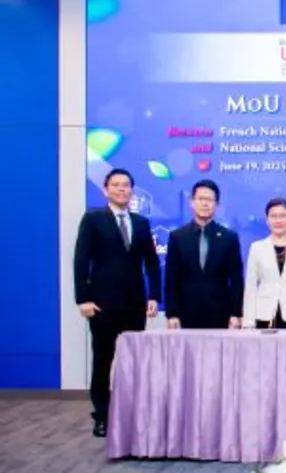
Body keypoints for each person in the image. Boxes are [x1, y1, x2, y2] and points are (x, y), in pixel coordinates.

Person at [73, 169, 161, 437]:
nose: (122, 189)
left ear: (131, 190)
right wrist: (83, 298)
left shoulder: (141, 222)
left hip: (134, 304)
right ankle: (102, 416)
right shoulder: (93, 219)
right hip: (102, 304)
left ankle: (132, 415)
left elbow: (151, 263)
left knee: (134, 362)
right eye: (116, 185)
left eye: (126, 185)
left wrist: (154, 295)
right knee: (103, 360)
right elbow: (81, 260)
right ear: (106, 189)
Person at [164, 180, 243, 329]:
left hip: (220, 312)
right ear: (192, 202)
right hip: (186, 312)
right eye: (201, 199)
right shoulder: (177, 237)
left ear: (217, 205)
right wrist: (172, 313)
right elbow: (171, 279)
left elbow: (236, 279)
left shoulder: (229, 238)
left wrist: (236, 313)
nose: (205, 204)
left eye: (210, 200)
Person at [242, 198, 286, 329]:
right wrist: (248, 321)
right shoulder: (256, 248)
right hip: (263, 314)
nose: (278, 220)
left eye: (282, 216)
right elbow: (251, 287)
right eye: (273, 216)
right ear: (267, 220)